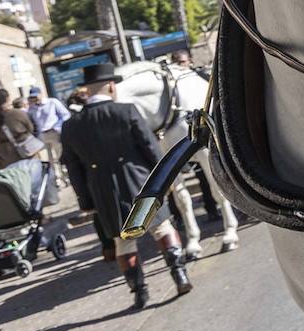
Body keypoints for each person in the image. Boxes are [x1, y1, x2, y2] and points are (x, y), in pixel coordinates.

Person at [60, 63, 193, 308]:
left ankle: (140, 292)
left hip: (105, 193)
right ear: (111, 86)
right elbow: (152, 151)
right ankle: (179, 275)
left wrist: (86, 202)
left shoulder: (71, 126)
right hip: (141, 185)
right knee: (163, 229)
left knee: (124, 242)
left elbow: (74, 169)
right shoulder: (126, 111)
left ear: (87, 91)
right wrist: (166, 181)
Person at [26, 86, 71, 188]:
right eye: (32, 97)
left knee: (60, 156)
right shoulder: (32, 108)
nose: (35, 98)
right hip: (42, 136)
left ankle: (67, 176)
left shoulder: (52, 102)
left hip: (54, 132)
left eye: (36, 96)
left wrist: (58, 126)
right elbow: (31, 122)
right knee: (49, 159)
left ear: (41, 94)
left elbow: (65, 115)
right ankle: (57, 180)